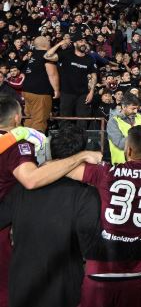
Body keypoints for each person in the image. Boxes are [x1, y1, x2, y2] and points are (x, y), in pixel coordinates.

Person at [0, 125, 141, 307]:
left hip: (20, 288)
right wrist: (140, 248)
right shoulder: (85, 196)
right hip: (60, 291)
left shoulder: (19, 190)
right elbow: (91, 249)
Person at [67, 124, 141, 307]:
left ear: (129, 149)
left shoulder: (106, 172)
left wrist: (83, 155)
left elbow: (65, 169)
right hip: (137, 272)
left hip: (100, 270)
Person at [0, 95, 102, 307]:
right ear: (17, 117)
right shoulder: (16, 146)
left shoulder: (17, 191)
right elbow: (31, 179)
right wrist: (81, 157)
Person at [44, 34, 97, 128]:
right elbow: (47, 56)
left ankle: (81, 137)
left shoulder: (89, 58)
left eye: (84, 41)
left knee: (82, 121)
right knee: (65, 119)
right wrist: (59, 43)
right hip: (67, 93)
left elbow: (94, 76)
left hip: (83, 94)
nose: (83, 43)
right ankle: (64, 137)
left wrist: (91, 92)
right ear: (75, 43)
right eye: (80, 41)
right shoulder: (67, 54)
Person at [22, 36, 59, 132]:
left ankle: (26, 140)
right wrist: (56, 90)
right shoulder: (47, 56)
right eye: (48, 41)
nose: (50, 42)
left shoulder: (33, 55)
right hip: (40, 92)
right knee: (40, 120)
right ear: (45, 44)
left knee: (29, 118)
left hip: (27, 90)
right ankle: (36, 141)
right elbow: (52, 74)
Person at [106, 92, 141, 164]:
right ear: (124, 107)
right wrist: (136, 131)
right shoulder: (113, 122)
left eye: (137, 108)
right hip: (121, 166)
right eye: (133, 108)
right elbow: (121, 144)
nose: (136, 111)